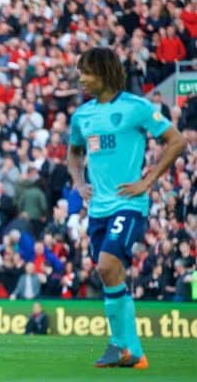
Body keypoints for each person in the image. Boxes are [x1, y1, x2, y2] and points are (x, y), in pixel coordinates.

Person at [67, 47, 186, 368]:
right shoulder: (83, 116)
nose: (82, 79)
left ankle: (119, 344)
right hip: (98, 209)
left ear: (104, 72)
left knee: (107, 266)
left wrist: (147, 182)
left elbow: (176, 141)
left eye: (87, 72)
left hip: (129, 203)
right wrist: (79, 183)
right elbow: (73, 154)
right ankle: (130, 351)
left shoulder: (136, 107)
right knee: (110, 275)